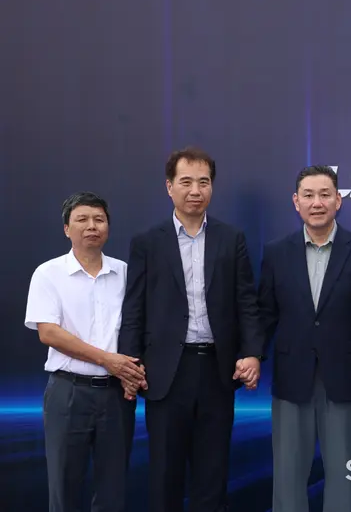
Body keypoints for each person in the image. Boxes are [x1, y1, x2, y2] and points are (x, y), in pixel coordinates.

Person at [117, 147, 266, 512]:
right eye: (186, 182)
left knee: (212, 474)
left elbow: (246, 302)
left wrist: (252, 353)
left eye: (204, 182)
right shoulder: (147, 242)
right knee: (165, 474)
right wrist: (129, 366)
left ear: (212, 187)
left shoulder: (231, 239)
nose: (195, 190)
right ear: (169, 187)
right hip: (166, 372)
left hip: (217, 370)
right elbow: (134, 309)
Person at [258, 165, 351, 512]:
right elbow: (265, 313)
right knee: (287, 477)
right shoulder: (277, 251)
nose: (317, 202)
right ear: (296, 202)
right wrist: (252, 354)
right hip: (291, 377)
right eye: (308, 195)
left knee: (343, 477)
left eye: (325, 195)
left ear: (338, 200)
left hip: (345, 378)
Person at [24, 192, 144, 512]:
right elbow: (49, 333)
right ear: (67, 229)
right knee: (64, 488)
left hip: (117, 395)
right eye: (82, 219)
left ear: (108, 227)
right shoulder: (48, 273)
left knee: (113, 490)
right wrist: (106, 360)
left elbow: (138, 326)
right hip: (69, 392)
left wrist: (131, 373)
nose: (92, 226)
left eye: (99, 219)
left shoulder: (125, 272)